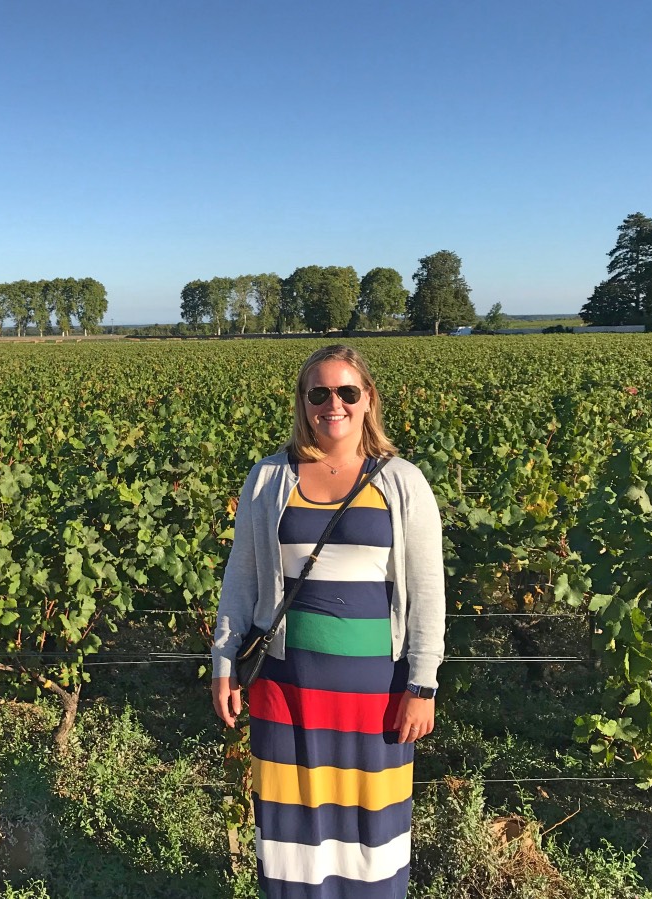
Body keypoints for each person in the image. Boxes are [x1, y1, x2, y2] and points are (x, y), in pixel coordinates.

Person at [211, 344, 445, 898]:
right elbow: (241, 579)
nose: (332, 404)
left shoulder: (403, 481)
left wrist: (423, 683)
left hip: (376, 691)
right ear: (303, 402)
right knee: (292, 838)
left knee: (372, 835)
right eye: (319, 393)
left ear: (368, 400)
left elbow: (428, 591)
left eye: (346, 392)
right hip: (286, 688)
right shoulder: (270, 477)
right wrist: (223, 661)